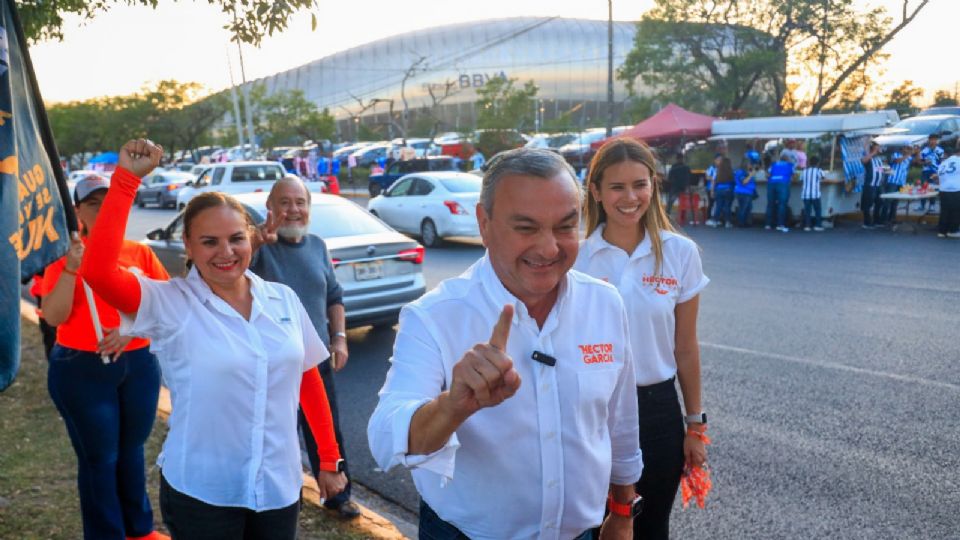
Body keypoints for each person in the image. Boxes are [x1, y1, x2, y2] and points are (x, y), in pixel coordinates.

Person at [367, 147, 642, 540]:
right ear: (484, 223)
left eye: (566, 226)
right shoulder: (434, 316)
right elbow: (383, 437)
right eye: (526, 228)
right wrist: (452, 406)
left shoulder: (605, 303)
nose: (549, 249)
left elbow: (618, 422)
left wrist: (622, 509)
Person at [81, 139, 347, 539]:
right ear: (188, 245)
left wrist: (329, 458)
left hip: (278, 485)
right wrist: (125, 182)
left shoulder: (282, 299)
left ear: (251, 239)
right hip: (204, 492)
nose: (226, 251)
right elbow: (99, 273)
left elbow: (306, 376)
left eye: (236, 238)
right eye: (209, 241)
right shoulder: (170, 303)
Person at [575, 138, 709, 540]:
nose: (630, 197)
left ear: (654, 185)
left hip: (657, 411)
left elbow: (685, 347)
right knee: (593, 526)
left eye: (640, 184)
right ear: (596, 191)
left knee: (649, 528)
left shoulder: (680, 253)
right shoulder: (577, 257)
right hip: (591, 411)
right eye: (616, 187)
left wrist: (695, 426)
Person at [41, 174, 171, 540]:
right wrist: (69, 267)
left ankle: (139, 529)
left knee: (132, 450)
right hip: (82, 370)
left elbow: (165, 307)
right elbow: (53, 316)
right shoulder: (65, 255)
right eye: (94, 203)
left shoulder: (139, 252)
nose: (103, 209)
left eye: (109, 201)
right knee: (100, 458)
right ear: (78, 211)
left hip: (138, 365)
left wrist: (133, 329)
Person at [248, 176, 362, 520]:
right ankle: (283, 495)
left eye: (300, 202)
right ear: (270, 208)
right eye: (284, 202)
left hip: (315, 359)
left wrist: (339, 337)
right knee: (277, 433)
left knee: (327, 429)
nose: (293, 210)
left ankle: (339, 495)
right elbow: (233, 274)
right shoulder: (259, 246)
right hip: (272, 363)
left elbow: (334, 296)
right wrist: (255, 241)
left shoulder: (317, 245)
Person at [881, 145, 917, 225]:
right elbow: (896, 161)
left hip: (901, 182)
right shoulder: (895, 154)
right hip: (892, 180)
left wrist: (918, 152)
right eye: (907, 148)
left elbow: (916, 162)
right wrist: (908, 155)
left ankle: (892, 218)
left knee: (896, 201)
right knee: (888, 200)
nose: (908, 150)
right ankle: (883, 219)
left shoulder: (909, 158)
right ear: (902, 148)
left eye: (909, 149)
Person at [931, 145, 960, 238]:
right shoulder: (958, 160)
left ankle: (942, 231)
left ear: (946, 154)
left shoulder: (942, 164)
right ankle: (953, 230)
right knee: (955, 211)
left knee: (945, 211)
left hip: (943, 190)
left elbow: (938, 179)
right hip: (955, 189)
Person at [765, 154, 795, 232]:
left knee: (770, 203)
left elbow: (767, 175)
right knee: (782, 204)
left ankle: (768, 224)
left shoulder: (774, 164)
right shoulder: (790, 165)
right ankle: (780, 224)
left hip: (771, 183)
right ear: (787, 159)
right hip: (783, 183)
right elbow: (793, 176)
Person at [918, 133, 944, 213]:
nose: (933, 141)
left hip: (935, 171)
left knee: (933, 188)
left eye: (935, 140)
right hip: (925, 171)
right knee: (924, 187)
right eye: (931, 140)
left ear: (937, 141)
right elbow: (919, 162)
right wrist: (925, 162)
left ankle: (932, 205)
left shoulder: (940, 150)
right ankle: (922, 205)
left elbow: (942, 162)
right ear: (928, 140)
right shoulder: (924, 150)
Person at [860, 142, 884, 229]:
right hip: (870, 184)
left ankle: (876, 220)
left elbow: (880, 170)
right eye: (877, 147)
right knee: (868, 203)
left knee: (879, 202)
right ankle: (867, 222)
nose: (878, 149)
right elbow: (863, 161)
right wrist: (873, 152)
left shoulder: (878, 159)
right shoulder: (869, 157)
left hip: (878, 185)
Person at [706, 156, 734, 228]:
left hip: (719, 190)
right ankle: (727, 222)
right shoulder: (731, 172)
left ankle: (715, 221)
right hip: (728, 189)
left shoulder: (718, 171)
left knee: (718, 206)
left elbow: (713, 182)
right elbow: (734, 182)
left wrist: (712, 191)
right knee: (727, 206)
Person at [800, 155, 826, 231]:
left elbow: (801, 180)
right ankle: (818, 225)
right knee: (817, 209)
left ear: (810, 162)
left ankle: (807, 226)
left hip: (805, 194)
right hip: (815, 194)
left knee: (807, 210)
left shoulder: (804, 171)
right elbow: (823, 178)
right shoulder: (819, 171)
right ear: (817, 163)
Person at [664, 153, 692, 219]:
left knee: (671, 200)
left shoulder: (674, 167)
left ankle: (667, 214)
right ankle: (682, 216)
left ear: (676, 159)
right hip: (683, 187)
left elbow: (669, 178)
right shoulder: (686, 167)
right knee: (683, 201)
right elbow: (690, 178)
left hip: (675, 186)